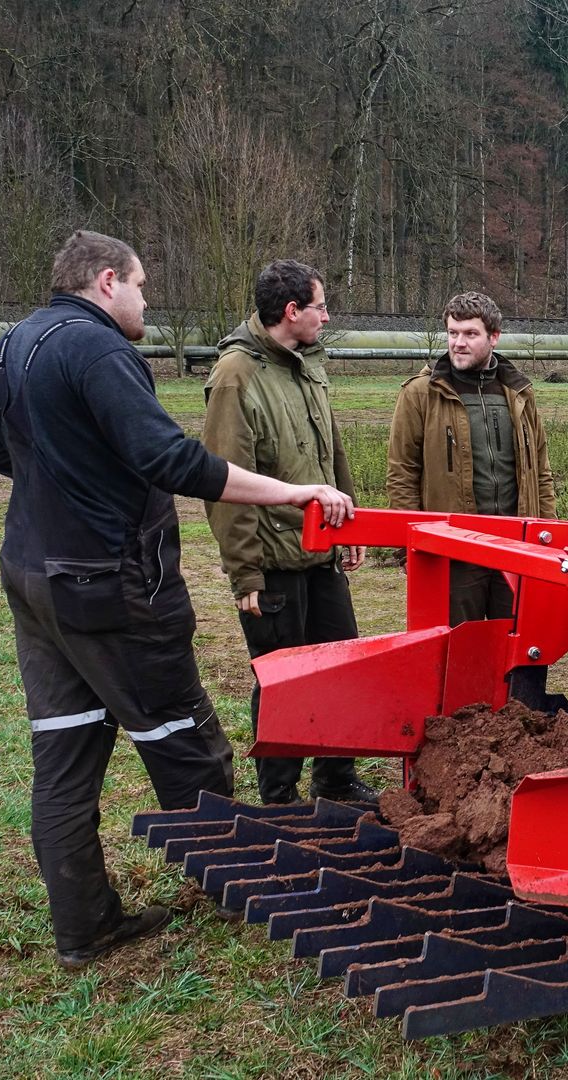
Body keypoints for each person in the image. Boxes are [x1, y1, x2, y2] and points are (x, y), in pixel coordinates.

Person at [0, 230, 354, 970]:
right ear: (108, 281)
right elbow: (171, 459)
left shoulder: (16, 342)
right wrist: (295, 491)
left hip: (34, 581)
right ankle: (242, 888)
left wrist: (53, 486)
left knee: (65, 758)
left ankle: (84, 925)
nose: (145, 300)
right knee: (187, 742)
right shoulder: (100, 349)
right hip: (112, 586)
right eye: (141, 286)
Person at [201, 259, 377, 806]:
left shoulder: (307, 364)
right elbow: (223, 480)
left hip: (319, 552)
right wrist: (246, 572)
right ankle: (279, 797)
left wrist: (350, 523)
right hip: (273, 561)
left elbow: (332, 448)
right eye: (320, 306)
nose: (327, 316)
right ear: (292, 311)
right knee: (284, 682)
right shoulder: (236, 376)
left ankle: (336, 779)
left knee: (341, 666)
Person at [386, 291, 556, 624]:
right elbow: (402, 473)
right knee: (458, 651)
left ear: (494, 337)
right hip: (455, 552)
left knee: (519, 645)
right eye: (452, 333)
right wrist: (408, 546)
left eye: (470, 334)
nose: (458, 343)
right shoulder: (421, 394)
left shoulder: (520, 392)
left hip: (517, 548)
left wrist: (548, 535)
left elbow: (541, 472)